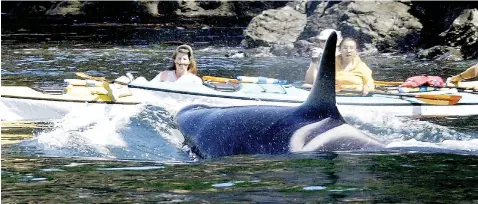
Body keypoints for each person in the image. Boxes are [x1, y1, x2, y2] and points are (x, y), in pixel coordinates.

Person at [305, 37, 374, 96]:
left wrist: (367, 87)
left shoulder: (361, 66)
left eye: (352, 48)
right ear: (339, 50)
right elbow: (312, 81)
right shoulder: (330, 64)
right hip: (334, 95)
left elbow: (370, 83)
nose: (348, 51)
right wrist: (314, 62)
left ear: (356, 51)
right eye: (345, 48)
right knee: (306, 85)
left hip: (355, 95)